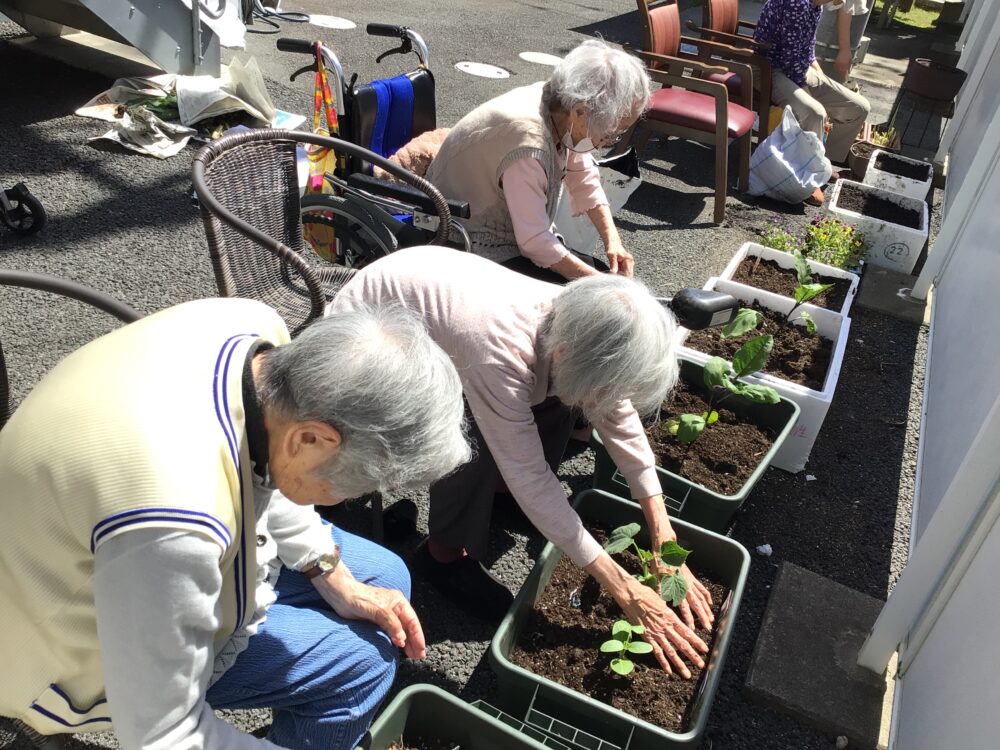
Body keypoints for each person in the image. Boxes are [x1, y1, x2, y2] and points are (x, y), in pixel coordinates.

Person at [0, 297, 470, 749]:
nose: (359, 496)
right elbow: (164, 734)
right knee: (361, 667)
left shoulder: (253, 332)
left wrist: (332, 573)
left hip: (104, 548)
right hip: (60, 650)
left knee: (386, 577)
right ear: (310, 438)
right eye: (359, 483)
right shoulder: (177, 520)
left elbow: (265, 465)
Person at [328, 247, 714, 679]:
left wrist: (663, 532)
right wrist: (625, 588)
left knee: (565, 399)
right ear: (567, 352)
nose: (609, 398)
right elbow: (529, 474)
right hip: (366, 351)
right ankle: (443, 554)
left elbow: (615, 411)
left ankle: (499, 498)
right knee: (466, 434)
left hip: (437, 325)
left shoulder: (579, 323)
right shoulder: (500, 351)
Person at [425, 39, 650, 284]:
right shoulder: (528, 143)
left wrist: (613, 241)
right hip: (460, 235)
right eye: (611, 132)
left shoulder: (562, 107)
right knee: (571, 294)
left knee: (595, 271)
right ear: (580, 112)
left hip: (511, 230)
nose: (608, 140)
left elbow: (582, 174)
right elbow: (535, 242)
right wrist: (599, 285)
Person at [754, 0, 871, 197]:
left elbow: (808, 52)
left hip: (796, 68)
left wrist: (822, 81)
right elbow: (790, 60)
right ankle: (809, 175)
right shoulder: (796, 4)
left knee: (859, 108)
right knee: (815, 112)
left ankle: (824, 164)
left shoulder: (815, 6)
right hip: (767, 68)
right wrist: (811, 94)